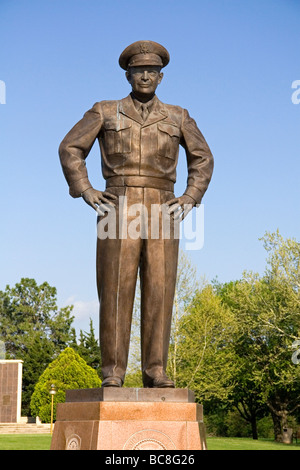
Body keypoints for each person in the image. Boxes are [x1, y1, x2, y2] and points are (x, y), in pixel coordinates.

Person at [59, 40, 214, 388]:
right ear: (128, 74)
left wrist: (190, 196)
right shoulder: (105, 111)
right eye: (139, 70)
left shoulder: (178, 116)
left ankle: (155, 370)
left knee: (160, 288)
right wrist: (85, 189)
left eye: (152, 71)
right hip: (117, 203)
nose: (146, 76)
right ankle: (113, 371)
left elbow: (203, 158)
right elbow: (70, 148)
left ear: (161, 77)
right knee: (115, 288)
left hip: (163, 205)